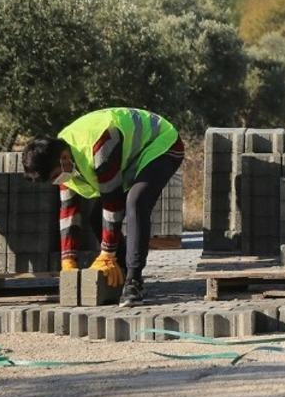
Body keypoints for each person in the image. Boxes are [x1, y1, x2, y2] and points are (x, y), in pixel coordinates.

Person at [22, 107, 184, 307]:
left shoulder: (99, 144)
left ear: (64, 158)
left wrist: (107, 253)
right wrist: (68, 260)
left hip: (162, 144)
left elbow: (113, 202)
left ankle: (134, 281)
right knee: (95, 219)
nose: (57, 180)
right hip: (129, 158)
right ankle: (121, 275)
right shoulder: (61, 156)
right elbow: (69, 211)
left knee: (136, 201)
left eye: (55, 175)